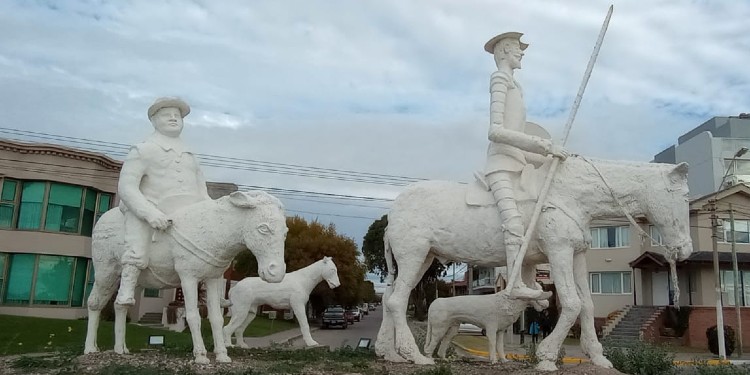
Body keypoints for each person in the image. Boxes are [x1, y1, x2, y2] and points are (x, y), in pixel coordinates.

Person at [483, 32, 568, 299]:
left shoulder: (516, 86)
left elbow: (519, 141)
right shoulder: (499, 80)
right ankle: (514, 281)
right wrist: (540, 145)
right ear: (504, 52)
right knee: (515, 223)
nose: (522, 53)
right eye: (518, 49)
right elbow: (495, 131)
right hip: (500, 165)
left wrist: (547, 156)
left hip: (519, 165)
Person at [115, 97, 213, 306]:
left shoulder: (190, 155)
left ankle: (211, 288)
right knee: (137, 242)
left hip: (188, 210)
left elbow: (202, 190)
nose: (173, 118)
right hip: (153, 207)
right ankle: (127, 285)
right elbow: (126, 187)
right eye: (167, 115)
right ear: (154, 120)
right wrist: (149, 213)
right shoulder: (143, 149)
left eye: (177, 116)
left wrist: (211, 212)